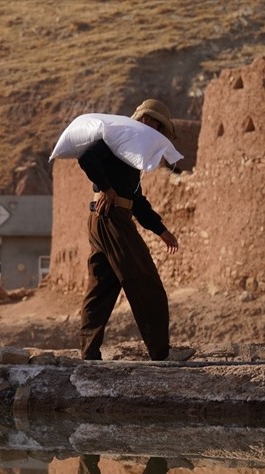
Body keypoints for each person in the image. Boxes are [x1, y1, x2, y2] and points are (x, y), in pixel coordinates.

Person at [76, 99, 193, 362]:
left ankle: (89, 354)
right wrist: (105, 187)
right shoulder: (119, 135)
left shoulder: (132, 151)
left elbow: (136, 199)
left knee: (102, 288)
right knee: (146, 281)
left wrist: (160, 229)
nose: (151, 125)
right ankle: (161, 354)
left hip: (106, 217)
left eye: (156, 124)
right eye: (148, 119)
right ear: (139, 118)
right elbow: (87, 157)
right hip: (111, 217)